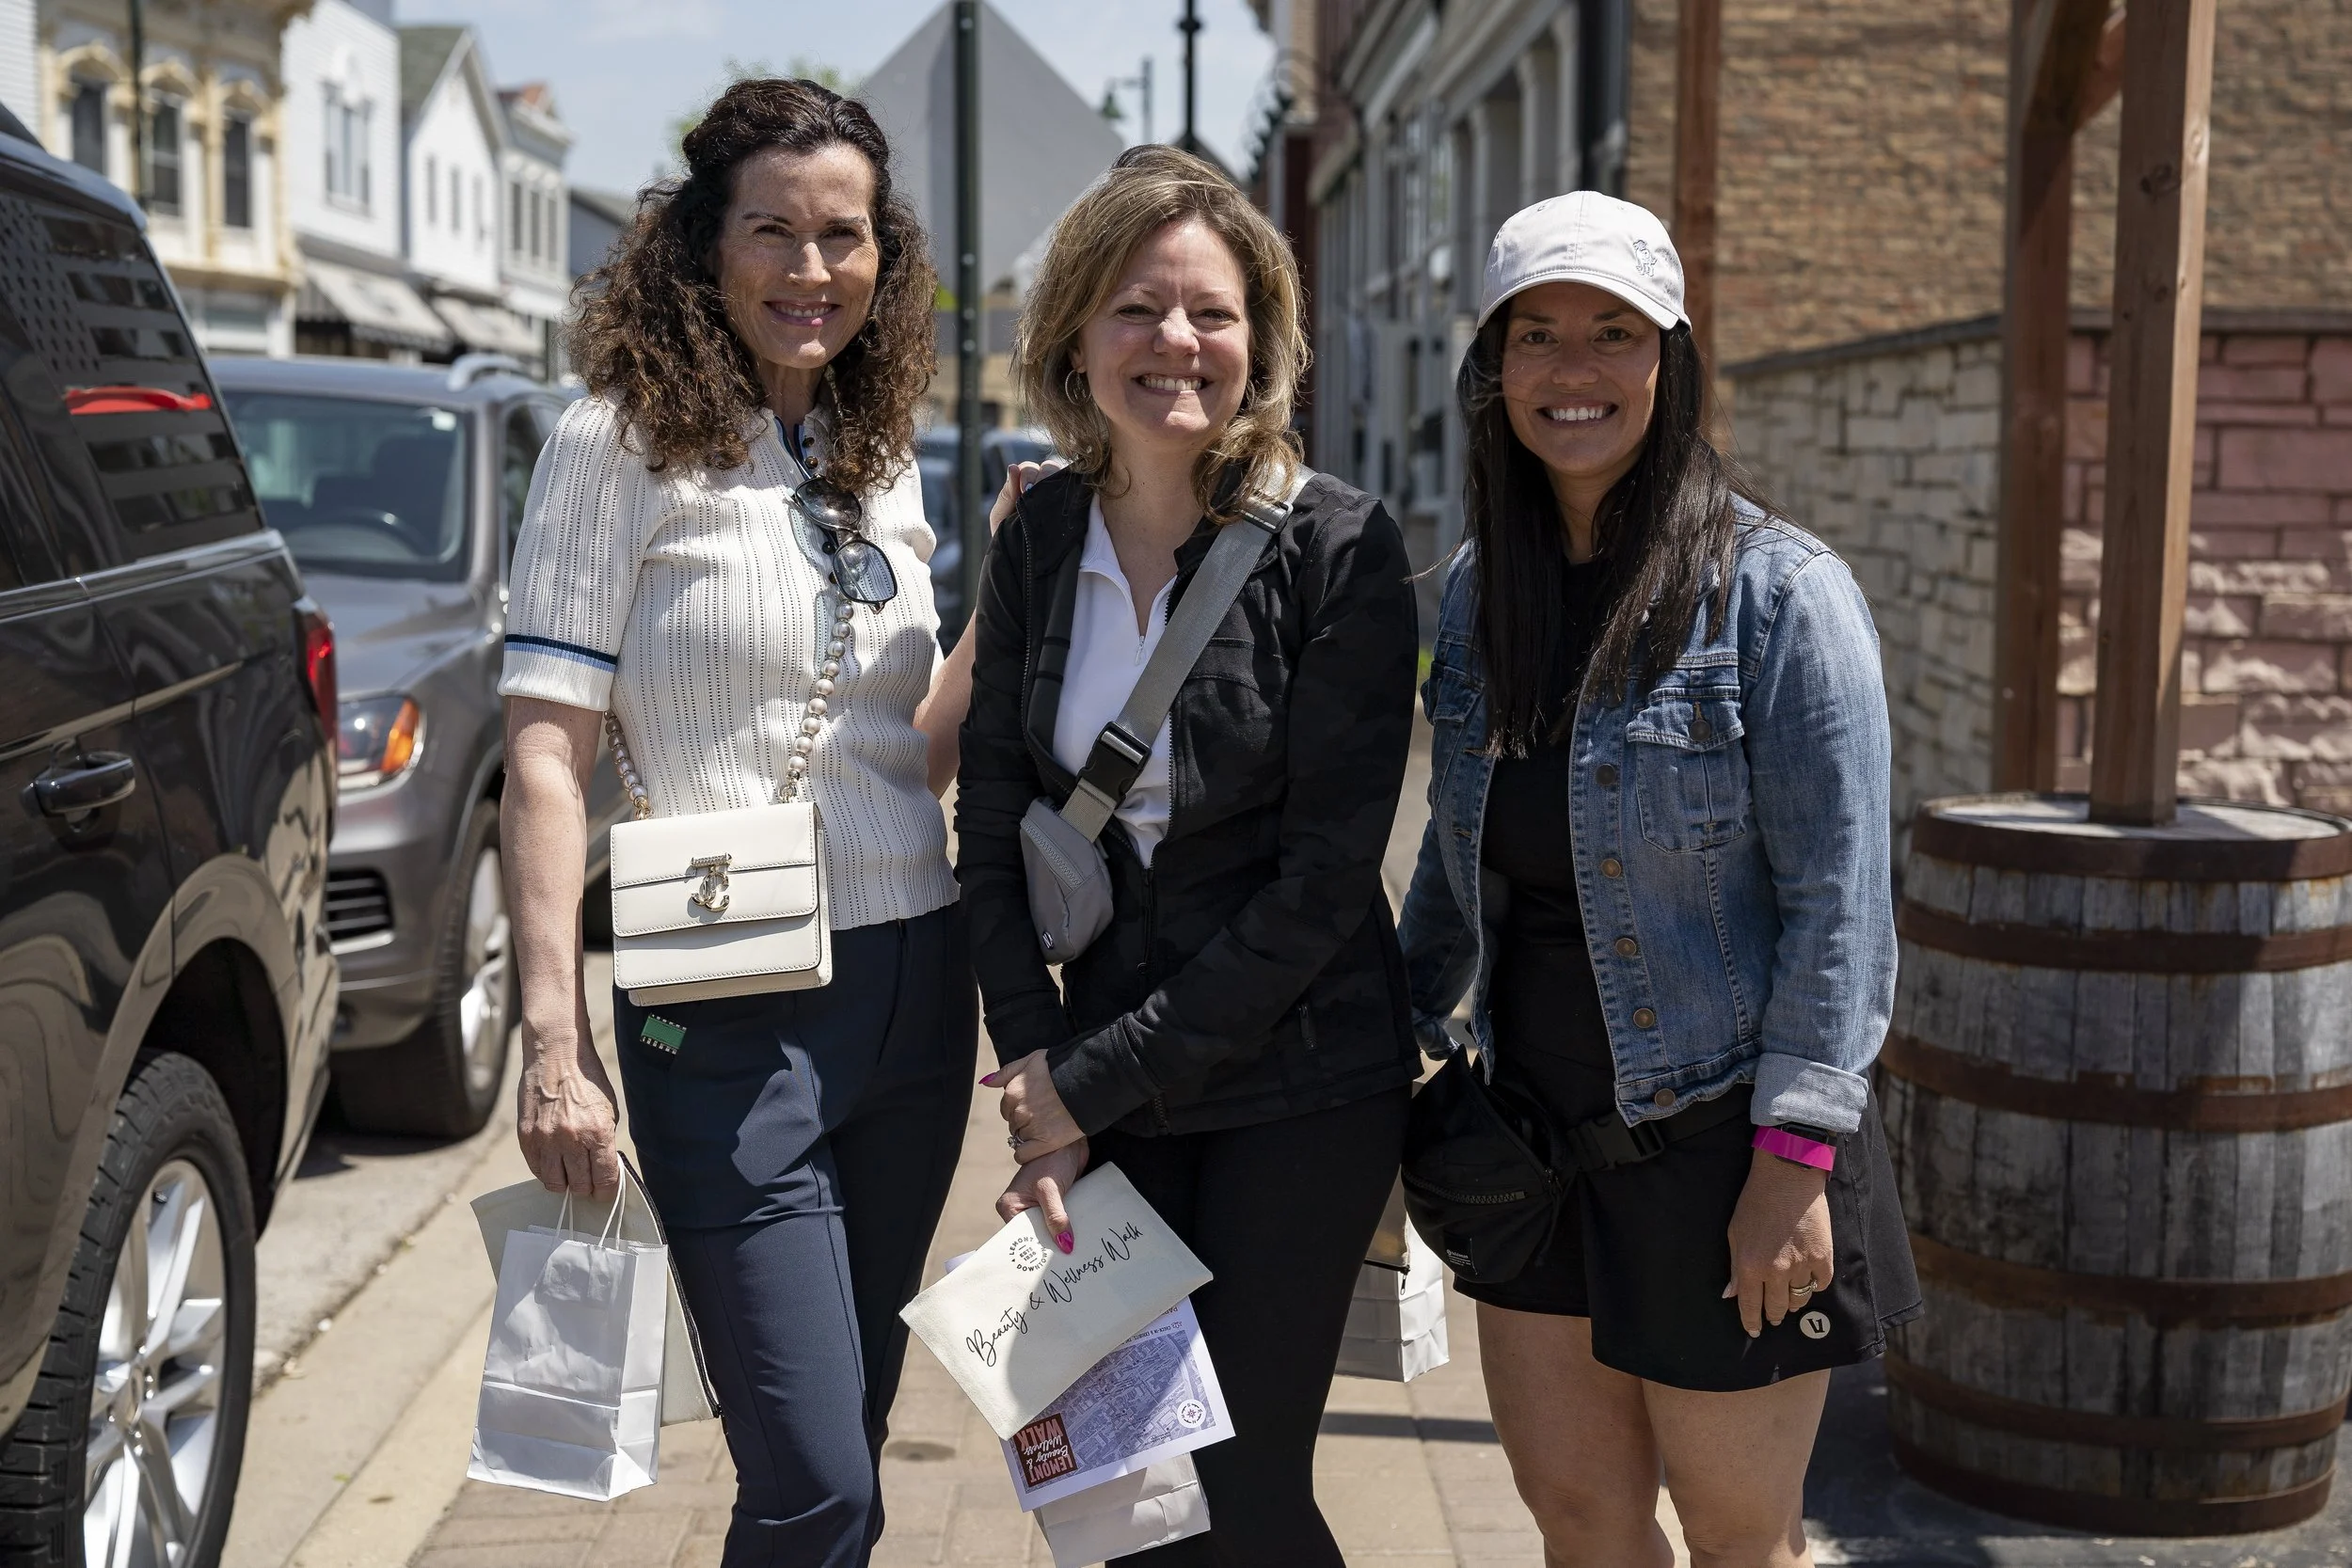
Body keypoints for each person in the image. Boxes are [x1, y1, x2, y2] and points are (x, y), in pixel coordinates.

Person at [498, 79, 981, 1568]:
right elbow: (545, 756)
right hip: (722, 1010)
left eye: (844, 236)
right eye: (771, 230)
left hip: (915, 999)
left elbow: (917, 750)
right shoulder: (615, 442)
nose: (810, 269)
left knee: (851, 1445)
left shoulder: (875, 450)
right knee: (817, 1477)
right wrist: (553, 1043)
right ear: (703, 243)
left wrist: (1007, 600)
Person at [1398, 192, 1919, 1568]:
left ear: (1670, 359)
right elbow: (1448, 887)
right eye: (1538, 336)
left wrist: (1794, 1159)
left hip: (1722, 1155)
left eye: (1612, 334)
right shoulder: (1468, 602)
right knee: (1581, 1522)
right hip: (1531, 1152)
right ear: (1494, 369)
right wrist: (1383, 1073)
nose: (1573, 372)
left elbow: (1843, 909)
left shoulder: (1782, 597)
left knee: (1741, 1540)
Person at [953, 145, 1422, 1565]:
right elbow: (988, 830)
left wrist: (1077, 1084)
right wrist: (1039, 1073)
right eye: (1137, 308)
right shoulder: (1037, 536)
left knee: (1243, 1487)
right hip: (1104, 1091)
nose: (1176, 344)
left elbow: (1322, 889)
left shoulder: (1343, 549)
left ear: (1262, 341)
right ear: (1076, 334)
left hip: (1302, 1087)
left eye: (1212, 313)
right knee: (1122, 1495)